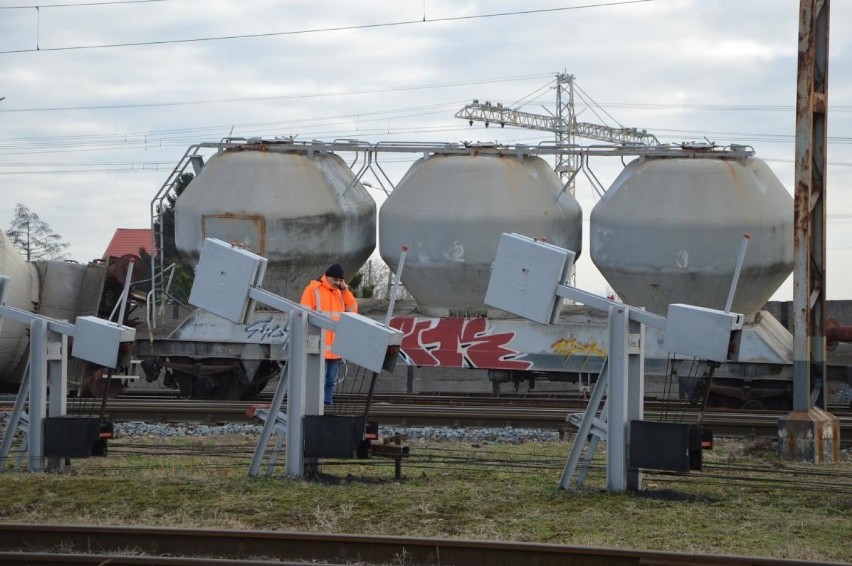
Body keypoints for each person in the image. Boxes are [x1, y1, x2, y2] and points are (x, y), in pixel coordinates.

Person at [300, 263, 358, 406]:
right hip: (319, 344)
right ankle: (316, 402)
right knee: (319, 378)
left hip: (335, 346)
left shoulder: (340, 292)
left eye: (340, 280)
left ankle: (326, 401)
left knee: (331, 379)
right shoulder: (313, 290)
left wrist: (346, 291)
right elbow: (304, 314)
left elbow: (353, 311)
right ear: (327, 277)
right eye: (336, 280)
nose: (338, 283)